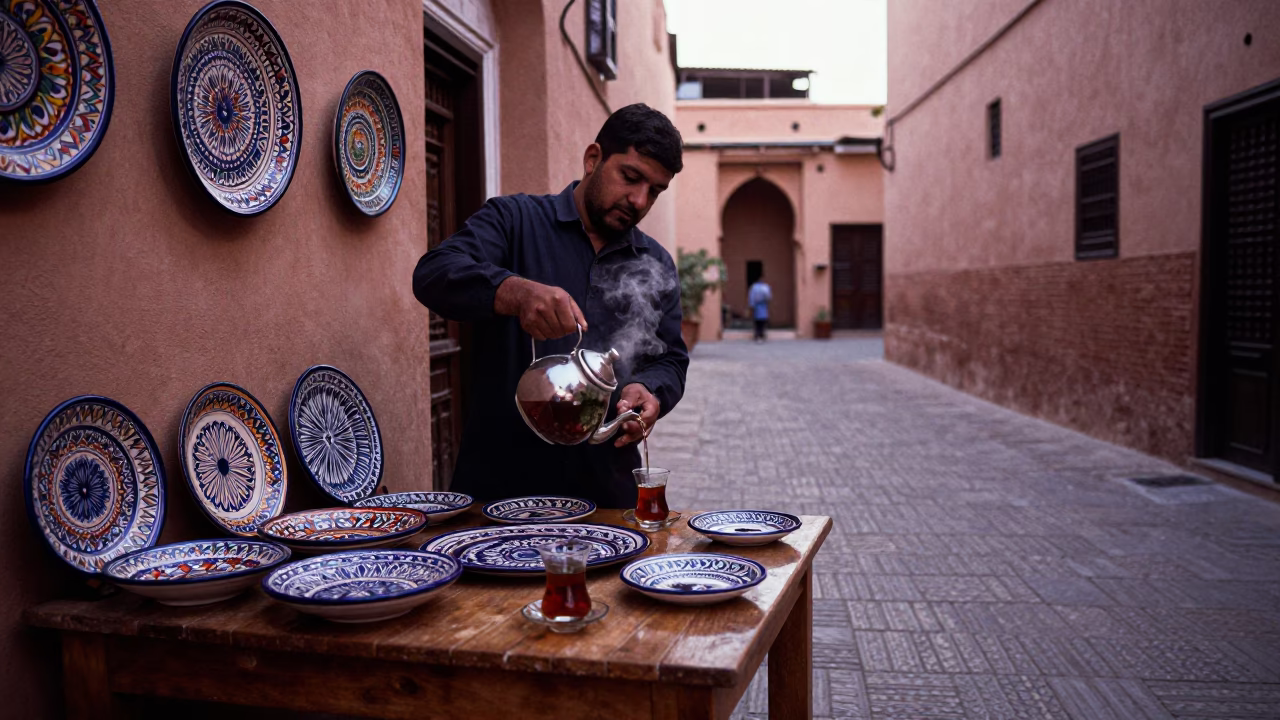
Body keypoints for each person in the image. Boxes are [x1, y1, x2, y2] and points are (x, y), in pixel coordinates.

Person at [412, 103, 688, 508]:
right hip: (503, 487)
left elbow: (671, 358)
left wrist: (649, 389)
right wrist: (514, 291)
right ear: (593, 158)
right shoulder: (514, 220)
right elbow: (433, 274)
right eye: (631, 178)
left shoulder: (656, 263)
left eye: (655, 191)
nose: (639, 200)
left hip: (607, 493)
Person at [748, 273, 772, 342]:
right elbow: (769, 297)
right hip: (762, 306)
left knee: (758, 321)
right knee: (761, 321)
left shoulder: (755, 287)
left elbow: (751, 297)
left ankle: (758, 334)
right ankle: (760, 334)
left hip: (759, 306)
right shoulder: (765, 287)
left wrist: (751, 305)